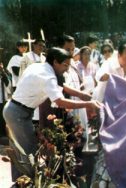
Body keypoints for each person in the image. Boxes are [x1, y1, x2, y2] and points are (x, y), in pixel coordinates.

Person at [3, 47, 101, 181]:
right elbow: (60, 101)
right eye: (65, 65)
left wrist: (80, 94)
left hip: (16, 110)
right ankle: (27, 181)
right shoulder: (47, 76)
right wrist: (88, 104)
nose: (67, 69)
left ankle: (20, 180)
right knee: (28, 151)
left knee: (20, 150)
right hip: (18, 113)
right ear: (55, 62)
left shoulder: (40, 67)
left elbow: (61, 86)